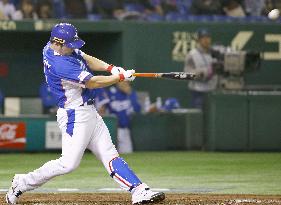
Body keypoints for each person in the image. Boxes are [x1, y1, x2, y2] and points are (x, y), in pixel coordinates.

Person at [5, 23, 165, 205]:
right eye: (69, 44)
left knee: (110, 154)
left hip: (89, 112)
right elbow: (93, 83)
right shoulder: (60, 64)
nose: (73, 47)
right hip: (74, 115)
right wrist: (119, 78)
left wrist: (111, 68)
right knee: (68, 164)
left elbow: (85, 57)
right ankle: (21, 182)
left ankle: (138, 190)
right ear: (58, 43)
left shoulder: (54, 48)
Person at [183, 28, 218, 108]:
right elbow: (187, 74)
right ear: (198, 40)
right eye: (203, 38)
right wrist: (204, 73)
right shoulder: (192, 55)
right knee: (199, 117)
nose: (206, 40)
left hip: (212, 91)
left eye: (208, 38)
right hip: (198, 92)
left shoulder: (215, 53)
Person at [106, 81, 141, 154]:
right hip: (110, 130)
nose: (124, 84)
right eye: (121, 82)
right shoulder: (110, 92)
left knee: (127, 154)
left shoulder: (130, 93)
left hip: (124, 129)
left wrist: (130, 94)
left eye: (126, 82)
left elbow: (137, 109)